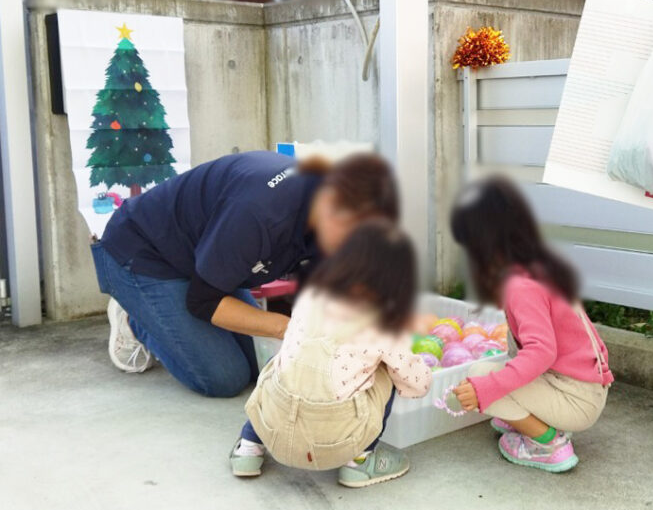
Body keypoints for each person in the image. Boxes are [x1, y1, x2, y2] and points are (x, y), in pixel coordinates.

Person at [90, 151, 398, 399]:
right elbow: (203, 302)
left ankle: (162, 313)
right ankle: (135, 319)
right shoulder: (260, 215)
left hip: (203, 260)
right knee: (224, 379)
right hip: (143, 256)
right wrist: (285, 327)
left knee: (262, 368)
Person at [230, 220, 431, 486]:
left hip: (274, 431)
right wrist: (423, 368)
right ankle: (361, 462)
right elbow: (417, 384)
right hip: (336, 442)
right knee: (387, 371)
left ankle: (248, 447)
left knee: (280, 364)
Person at [449, 176, 613, 474]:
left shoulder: (520, 285)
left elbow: (540, 353)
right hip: (581, 387)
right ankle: (527, 414)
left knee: (479, 374)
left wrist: (487, 388)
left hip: (575, 399)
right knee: (505, 360)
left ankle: (548, 444)